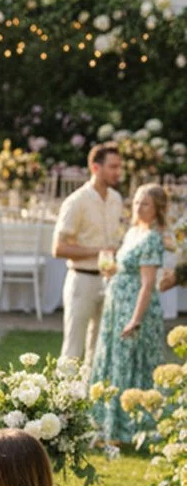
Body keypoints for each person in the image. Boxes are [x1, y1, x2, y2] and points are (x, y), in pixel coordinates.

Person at [90, 183, 170, 442]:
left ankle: (134, 429)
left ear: (158, 209)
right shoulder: (133, 231)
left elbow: (147, 284)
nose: (138, 207)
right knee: (113, 362)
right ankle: (108, 426)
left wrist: (135, 319)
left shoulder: (153, 237)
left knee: (132, 365)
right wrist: (111, 270)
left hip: (136, 309)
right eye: (136, 202)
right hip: (117, 306)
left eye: (145, 203)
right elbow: (126, 269)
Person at [52, 142, 125, 361]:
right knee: (73, 349)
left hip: (109, 279)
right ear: (95, 168)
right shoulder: (76, 201)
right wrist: (98, 251)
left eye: (119, 167)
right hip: (82, 280)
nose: (117, 172)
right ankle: (64, 394)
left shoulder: (116, 199)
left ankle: (94, 395)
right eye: (112, 167)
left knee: (101, 349)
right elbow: (58, 248)